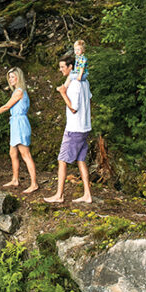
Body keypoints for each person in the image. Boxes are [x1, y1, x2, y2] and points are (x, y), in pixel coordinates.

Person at [45, 53, 92, 205]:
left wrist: (63, 93)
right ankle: (87, 195)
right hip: (85, 127)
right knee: (81, 160)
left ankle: (59, 195)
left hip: (75, 128)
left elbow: (73, 108)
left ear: (71, 67)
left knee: (62, 160)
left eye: (62, 67)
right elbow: (89, 98)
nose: (60, 70)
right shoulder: (85, 82)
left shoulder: (76, 84)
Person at [0, 67, 39, 194]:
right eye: (9, 77)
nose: (10, 79)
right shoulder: (16, 92)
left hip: (20, 123)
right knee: (13, 153)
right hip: (15, 123)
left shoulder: (19, 91)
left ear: (18, 77)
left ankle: (34, 184)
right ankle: (15, 179)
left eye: (13, 76)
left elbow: (7, 106)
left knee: (25, 154)